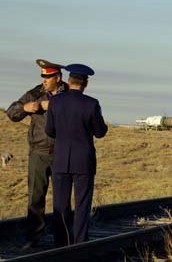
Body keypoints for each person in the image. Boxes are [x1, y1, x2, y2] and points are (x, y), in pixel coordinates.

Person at [7, 59, 67, 249]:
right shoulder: (35, 93)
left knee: (62, 199)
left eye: (48, 77)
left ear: (58, 78)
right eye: (43, 77)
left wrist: (55, 106)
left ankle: (62, 238)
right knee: (35, 198)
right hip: (38, 154)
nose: (44, 80)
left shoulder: (70, 95)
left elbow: (78, 111)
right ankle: (34, 238)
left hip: (62, 153)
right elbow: (11, 112)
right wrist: (25, 108)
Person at [46, 64, 108, 246]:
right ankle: (80, 243)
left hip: (60, 160)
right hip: (83, 161)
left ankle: (61, 242)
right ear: (85, 83)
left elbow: (50, 130)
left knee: (60, 204)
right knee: (82, 205)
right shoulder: (92, 104)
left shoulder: (55, 102)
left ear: (68, 81)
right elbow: (99, 132)